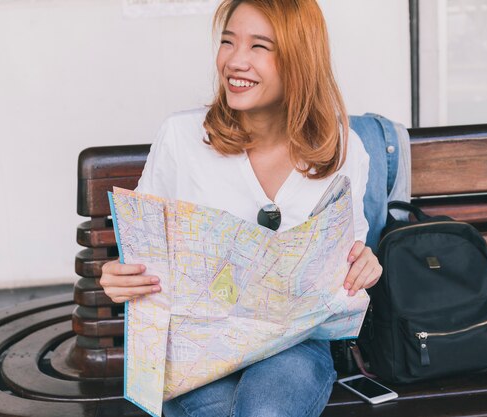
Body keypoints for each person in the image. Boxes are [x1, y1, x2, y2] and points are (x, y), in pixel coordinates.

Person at [100, 1, 383, 416]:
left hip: (294, 346)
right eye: (228, 42)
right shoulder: (181, 138)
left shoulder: (342, 150)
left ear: (299, 59)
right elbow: (141, 257)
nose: (234, 60)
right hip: (198, 346)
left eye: (259, 47)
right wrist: (119, 278)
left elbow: (347, 259)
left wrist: (365, 265)